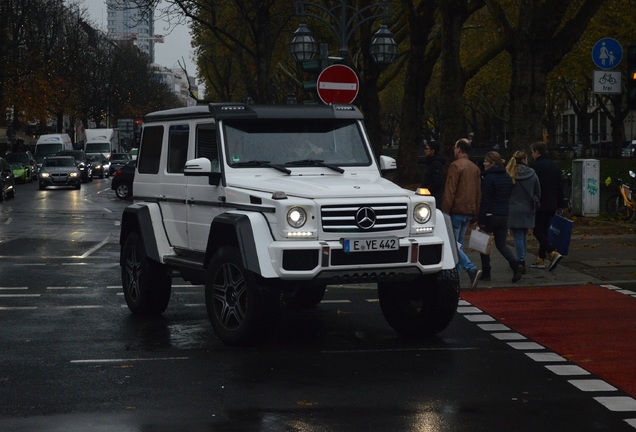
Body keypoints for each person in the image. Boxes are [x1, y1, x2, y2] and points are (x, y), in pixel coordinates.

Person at [442, 138, 482, 289]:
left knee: (453, 245)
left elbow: (450, 190)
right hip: (469, 211)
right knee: (458, 245)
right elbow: (478, 192)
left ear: (458, 149)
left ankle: (470, 269)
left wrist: (445, 210)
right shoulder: (474, 168)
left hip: (456, 210)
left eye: (454, 147)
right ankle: (456, 277)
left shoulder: (455, 166)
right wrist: (476, 212)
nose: (453, 150)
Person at [478, 151, 524, 283]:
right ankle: (515, 265)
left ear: (492, 163)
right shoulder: (507, 177)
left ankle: (486, 272)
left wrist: (481, 220)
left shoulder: (488, 178)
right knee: (501, 244)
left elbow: (485, 200)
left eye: (486, 161)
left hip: (490, 214)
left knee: (484, 244)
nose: (484, 163)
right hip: (504, 214)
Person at [506, 151, 541, 275]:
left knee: (518, 236)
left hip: (514, 208)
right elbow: (538, 192)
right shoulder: (532, 174)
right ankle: (523, 258)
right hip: (527, 208)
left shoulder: (510, 173)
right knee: (523, 235)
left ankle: (520, 261)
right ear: (525, 159)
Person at [530, 141, 563, 271]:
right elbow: (560, 186)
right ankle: (540, 258)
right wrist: (560, 204)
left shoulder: (536, 167)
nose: (532, 154)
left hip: (540, 203)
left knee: (537, 230)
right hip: (552, 203)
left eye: (532, 152)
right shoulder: (555, 166)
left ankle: (552, 252)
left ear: (537, 152)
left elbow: (534, 187)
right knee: (544, 230)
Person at [420, 141, 445, 207]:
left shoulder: (436, 164)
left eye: (427, 149)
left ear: (432, 151)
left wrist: (427, 190)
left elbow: (437, 182)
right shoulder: (430, 163)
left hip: (433, 196)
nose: (425, 151)